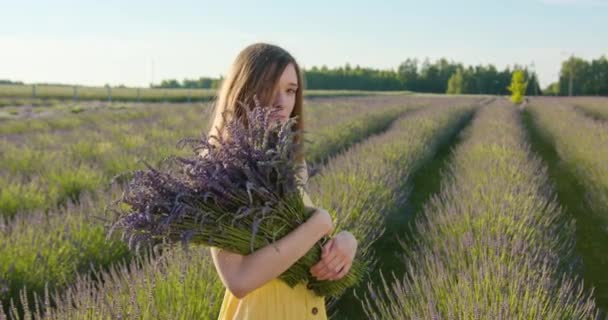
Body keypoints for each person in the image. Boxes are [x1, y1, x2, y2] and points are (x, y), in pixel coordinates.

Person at [205, 43, 358, 319]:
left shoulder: (292, 166)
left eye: (290, 90)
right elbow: (239, 279)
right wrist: (320, 223)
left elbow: (297, 241)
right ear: (243, 91)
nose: (281, 102)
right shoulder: (222, 173)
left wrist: (346, 242)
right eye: (268, 88)